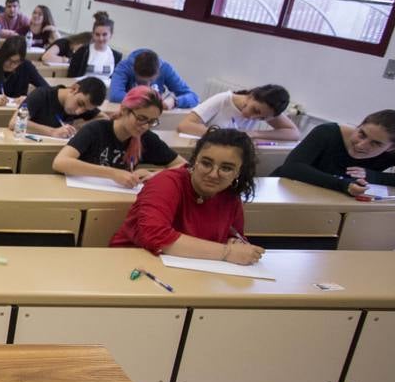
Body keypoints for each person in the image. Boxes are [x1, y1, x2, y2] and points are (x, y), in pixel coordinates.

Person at [112, 127, 265, 265]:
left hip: (192, 269)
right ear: (194, 161)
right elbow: (154, 236)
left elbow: (234, 236)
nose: (213, 174)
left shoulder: (230, 194)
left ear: (238, 172)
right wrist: (227, 252)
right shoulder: (166, 183)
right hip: (135, 264)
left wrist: (235, 243)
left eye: (226, 168)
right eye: (206, 163)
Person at [52, 86, 186, 188]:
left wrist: (153, 175)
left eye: (152, 122)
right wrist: (113, 173)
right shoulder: (96, 130)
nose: (145, 126)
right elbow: (60, 162)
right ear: (124, 110)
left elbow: (184, 166)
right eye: (141, 118)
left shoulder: (146, 137)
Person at [273, 110, 395, 196]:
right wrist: (344, 185)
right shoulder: (327, 132)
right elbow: (292, 168)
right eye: (361, 134)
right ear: (358, 125)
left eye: (375, 143)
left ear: (392, 147)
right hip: (285, 192)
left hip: (329, 203)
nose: (361, 144)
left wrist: (373, 176)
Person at [177, 85, 299, 141]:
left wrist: (254, 133)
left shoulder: (267, 110)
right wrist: (225, 136)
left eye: (261, 119)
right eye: (255, 110)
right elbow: (184, 125)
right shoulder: (223, 99)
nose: (253, 117)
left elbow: (294, 134)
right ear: (251, 96)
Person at [13, 77, 107, 139]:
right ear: (75, 89)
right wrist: (52, 132)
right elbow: (14, 122)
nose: (79, 112)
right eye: (80, 103)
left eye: (86, 110)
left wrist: (77, 127)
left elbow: (104, 118)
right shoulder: (41, 94)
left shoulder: (85, 104)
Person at [109, 49, 199, 109]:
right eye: (142, 82)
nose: (147, 86)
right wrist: (152, 102)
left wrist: (175, 101)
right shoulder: (124, 66)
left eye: (151, 81)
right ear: (134, 70)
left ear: (158, 73)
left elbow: (193, 97)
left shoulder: (165, 68)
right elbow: (115, 95)